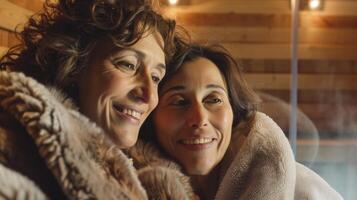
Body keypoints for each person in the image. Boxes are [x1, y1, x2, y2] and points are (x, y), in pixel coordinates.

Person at [0, 0, 194, 199]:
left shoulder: (154, 171)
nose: (149, 96)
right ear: (74, 65)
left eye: (155, 78)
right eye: (128, 65)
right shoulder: (15, 154)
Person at [142, 44, 343, 199]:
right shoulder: (129, 188)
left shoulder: (304, 192)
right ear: (152, 116)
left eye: (214, 99)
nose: (200, 118)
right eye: (179, 102)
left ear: (234, 113)